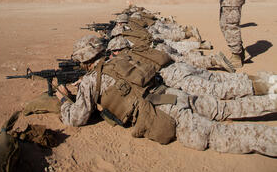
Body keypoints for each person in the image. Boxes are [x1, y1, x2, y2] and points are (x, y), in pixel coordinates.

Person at [55, 38, 277, 157]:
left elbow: (77, 118)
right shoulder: (122, 59)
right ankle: (272, 99)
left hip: (164, 111)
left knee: (217, 134)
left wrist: (64, 99)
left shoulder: (91, 81)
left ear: (83, 60)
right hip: (175, 94)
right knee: (224, 109)